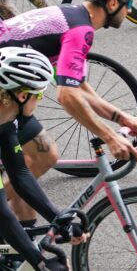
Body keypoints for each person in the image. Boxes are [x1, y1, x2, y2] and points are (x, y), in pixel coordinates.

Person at [0, 0, 137, 237]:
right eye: (128, 3)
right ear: (114, 3)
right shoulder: (81, 31)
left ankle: (19, 250)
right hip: (6, 95)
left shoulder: (73, 15)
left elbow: (78, 85)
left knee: (34, 162)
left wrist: (120, 117)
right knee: (40, 158)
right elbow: (67, 95)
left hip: (8, 92)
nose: (130, 10)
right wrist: (110, 136)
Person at [0, 48, 87, 271]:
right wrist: (40, 262)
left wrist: (59, 218)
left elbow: (20, 174)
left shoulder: (8, 121)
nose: (39, 100)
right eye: (39, 94)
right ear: (22, 95)